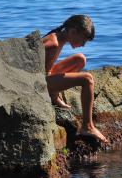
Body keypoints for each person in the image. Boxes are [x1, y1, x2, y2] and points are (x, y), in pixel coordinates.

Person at [43, 15, 108, 143]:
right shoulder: (53, 44)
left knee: (80, 59)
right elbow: (37, 75)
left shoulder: (58, 37)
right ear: (73, 32)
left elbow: (46, 68)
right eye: (83, 40)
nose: (83, 45)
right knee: (87, 79)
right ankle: (87, 127)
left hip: (44, 76)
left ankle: (54, 95)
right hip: (38, 83)